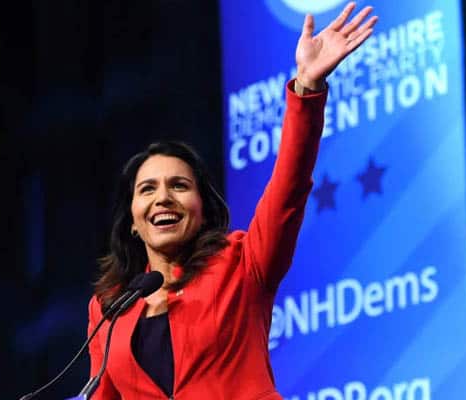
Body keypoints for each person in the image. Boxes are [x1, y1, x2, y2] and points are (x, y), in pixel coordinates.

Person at [87, 3, 378, 399]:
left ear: (203, 209)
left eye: (179, 186)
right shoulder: (108, 306)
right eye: (147, 189)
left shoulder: (242, 264)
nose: (163, 198)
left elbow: (288, 189)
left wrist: (307, 89)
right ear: (133, 221)